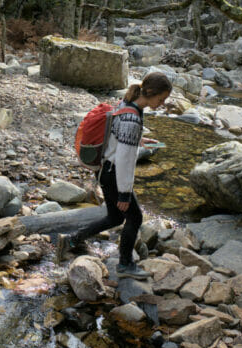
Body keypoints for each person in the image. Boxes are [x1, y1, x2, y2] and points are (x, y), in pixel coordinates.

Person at [57, 71, 172, 279]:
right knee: (134, 217)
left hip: (105, 170)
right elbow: (125, 161)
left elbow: (117, 137)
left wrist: (139, 141)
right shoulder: (132, 119)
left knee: (115, 216)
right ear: (152, 93)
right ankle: (125, 264)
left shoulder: (128, 103)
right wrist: (125, 194)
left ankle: (72, 240)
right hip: (114, 173)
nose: (161, 104)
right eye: (161, 99)